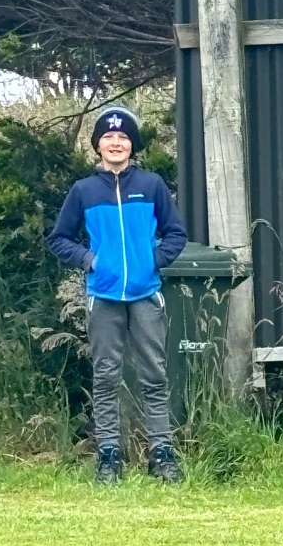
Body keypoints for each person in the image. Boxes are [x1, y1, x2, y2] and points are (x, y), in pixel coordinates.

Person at [48, 105, 187, 484]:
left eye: (123, 137)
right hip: (104, 297)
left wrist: (151, 261)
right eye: (108, 137)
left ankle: (162, 454)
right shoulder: (84, 191)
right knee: (106, 377)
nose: (115, 143)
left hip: (145, 296)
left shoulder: (152, 185)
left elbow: (176, 234)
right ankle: (109, 456)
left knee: (154, 376)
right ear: (98, 145)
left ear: (132, 146)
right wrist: (90, 260)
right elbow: (59, 239)